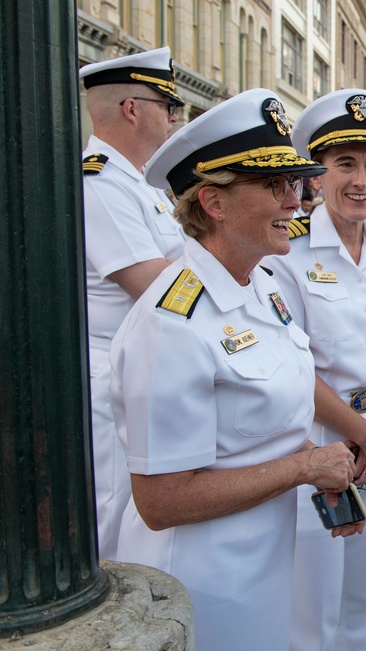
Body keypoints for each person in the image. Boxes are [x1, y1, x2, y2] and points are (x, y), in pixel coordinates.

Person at [110, 88, 357, 650]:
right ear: (214, 204)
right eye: (275, 185)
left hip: (265, 562)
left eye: (295, 183)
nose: (295, 201)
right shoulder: (172, 323)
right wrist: (304, 468)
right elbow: (162, 501)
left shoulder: (259, 284)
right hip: (205, 582)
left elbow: (269, 430)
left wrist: (324, 479)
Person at [265, 89, 366, 651]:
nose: (361, 180)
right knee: (314, 607)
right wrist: (361, 437)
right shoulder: (289, 252)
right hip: (316, 445)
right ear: (317, 175)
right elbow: (291, 366)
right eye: (345, 164)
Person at [79, 47, 186, 560]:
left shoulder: (143, 185)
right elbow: (152, 281)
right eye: (168, 107)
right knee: (112, 511)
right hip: (111, 375)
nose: (172, 119)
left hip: (145, 369)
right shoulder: (99, 181)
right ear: (131, 108)